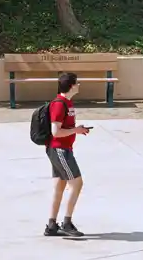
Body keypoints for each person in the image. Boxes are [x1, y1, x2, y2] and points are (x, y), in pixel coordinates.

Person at [44, 72, 91, 237]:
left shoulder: (68, 103)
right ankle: (67, 223)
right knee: (77, 184)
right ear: (71, 85)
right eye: (77, 83)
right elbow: (55, 132)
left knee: (60, 187)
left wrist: (77, 130)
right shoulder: (59, 104)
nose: (79, 85)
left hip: (62, 149)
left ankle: (51, 225)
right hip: (60, 150)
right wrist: (76, 130)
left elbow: (65, 128)